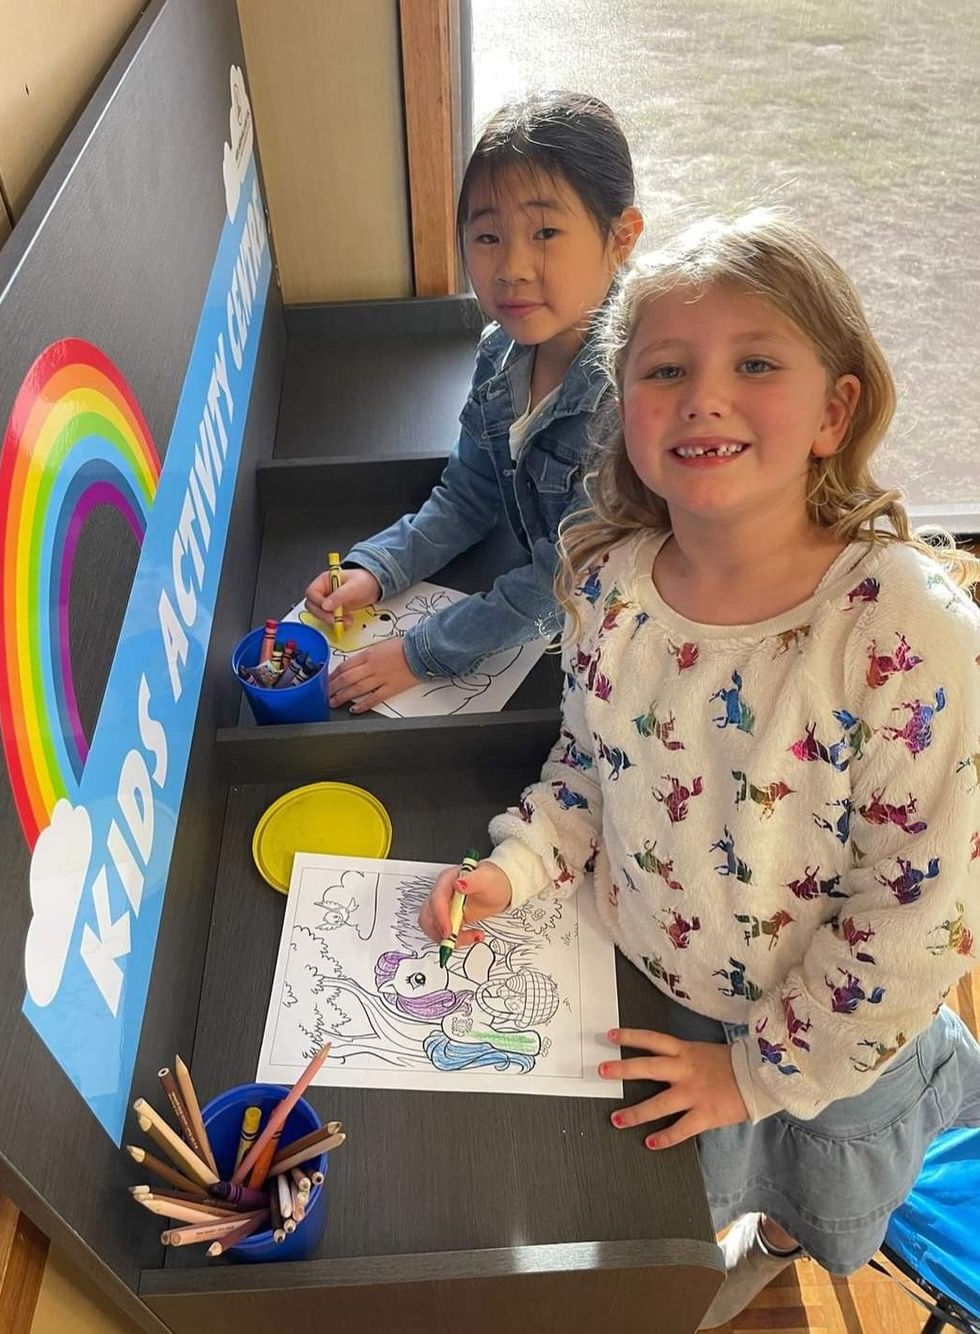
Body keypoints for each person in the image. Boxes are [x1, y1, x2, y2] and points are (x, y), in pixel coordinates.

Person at [418, 209, 980, 1328]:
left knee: (811, 1188)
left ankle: (778, 1238)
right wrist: (518, 867)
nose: (703, 396)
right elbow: (589, 758)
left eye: (755, 363)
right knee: (681, 1181)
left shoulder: (910, 634)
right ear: (623, 409)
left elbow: (915, 918)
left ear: (835, 409)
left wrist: (755, 1077)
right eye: (665, 368)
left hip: (834, 1031)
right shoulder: (608, 584)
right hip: (645, 976)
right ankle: (749, 1215)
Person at [303, 91, 643, 712]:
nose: (511, 267)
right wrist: (378, 568)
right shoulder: (500, 351)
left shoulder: (630, 393)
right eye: (487, 236)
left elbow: (562, 580)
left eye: (545, 232)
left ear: (621, 237)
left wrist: (417, 652)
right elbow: (468, 494)